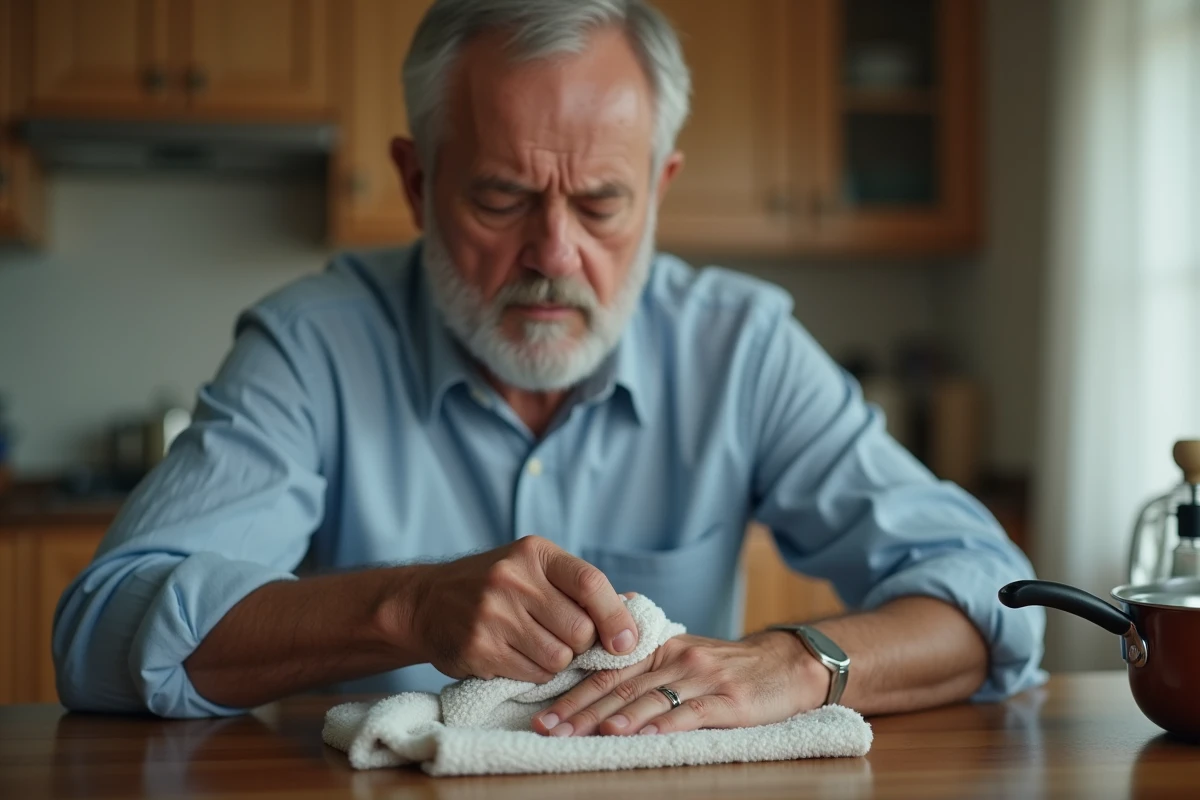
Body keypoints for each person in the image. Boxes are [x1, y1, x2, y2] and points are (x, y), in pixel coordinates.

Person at [53, 0, 1045, 734]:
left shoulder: (740, 346)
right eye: (500, 197)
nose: (554, 255)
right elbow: (102, 629)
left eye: (602, 204)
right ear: (415, 181)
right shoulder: (315, 346)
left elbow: (991, 597)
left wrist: (804, 662)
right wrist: (404, 605)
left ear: (660, 188)